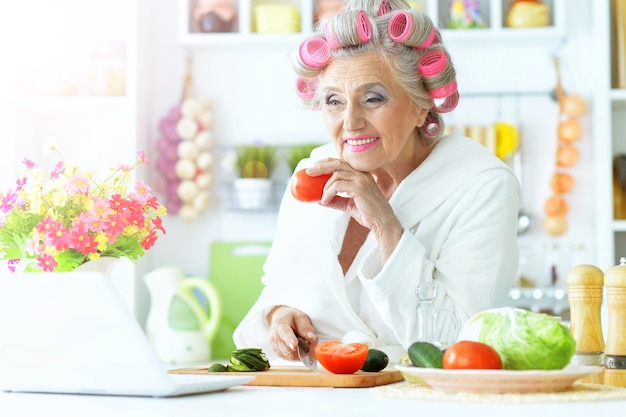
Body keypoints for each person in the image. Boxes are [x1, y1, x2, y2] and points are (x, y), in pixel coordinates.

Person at [233, 0, 521, 364]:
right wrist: (278, 316)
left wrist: (387, 226)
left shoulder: (482, 186)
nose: (350, 122)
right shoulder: (312, 174)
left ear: (422, 104)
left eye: (373, 98)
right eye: (334, 101)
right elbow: (278, 287)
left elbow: (460, 346)